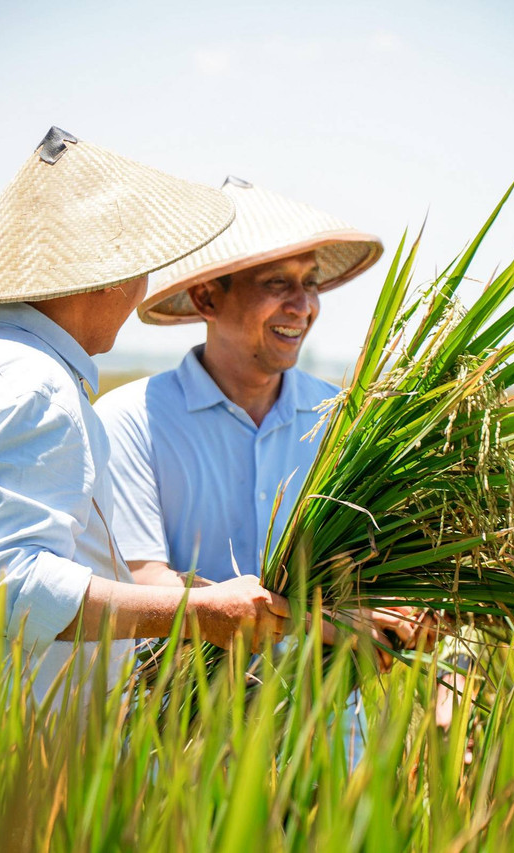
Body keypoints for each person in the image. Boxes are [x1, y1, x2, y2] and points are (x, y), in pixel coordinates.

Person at [0, 130, 290, 704]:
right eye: (141, 270)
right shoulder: (37, 385)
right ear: (111, 276)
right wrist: (196, 612)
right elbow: (7, 582)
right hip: (17, 748)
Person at [96, 176, 430, 658]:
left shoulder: (343, 420)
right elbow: (148, 582)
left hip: (330, 720)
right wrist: (326, 622)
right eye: (277, 283)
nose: (303, 306)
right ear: (207, 297)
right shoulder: (131, 421)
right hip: (181, 723)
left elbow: (371, 570)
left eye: (310, 282)